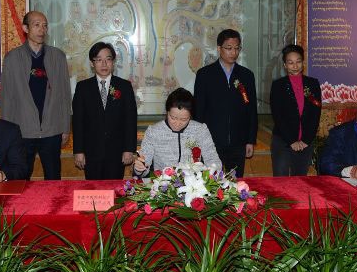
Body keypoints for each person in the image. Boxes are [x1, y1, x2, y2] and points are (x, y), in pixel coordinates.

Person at [0, 11, 71, 180]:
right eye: (37, 25)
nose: (42, 29)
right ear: (26, 28)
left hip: (52, 129)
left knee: (53, 178)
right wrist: (8, 133)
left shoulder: (58, 56)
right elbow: (7, 99)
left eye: (45, 26)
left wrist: (65, 127)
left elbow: (65, 95)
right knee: (20, 178)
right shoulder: (12, 58)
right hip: (23, 130)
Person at [194, 29, 258, 177]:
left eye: (237, 48)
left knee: (235, 183)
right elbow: (199, 110)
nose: (233, 53)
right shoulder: (205, 74)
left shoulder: (246, 75)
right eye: (229, 48)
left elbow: (251, 110)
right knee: (210, 181)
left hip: (238, 141)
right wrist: (198, 141)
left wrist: (250, 140)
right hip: (211, 141)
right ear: (219, 48)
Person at [72, 42, 137, 179]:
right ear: (92, 63)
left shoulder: (124, 86)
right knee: (93, 189)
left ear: (113, 62)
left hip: (117, 152)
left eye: (108, 59)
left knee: (114, 189)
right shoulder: (83, 88)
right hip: (91, 152)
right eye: (99, 60)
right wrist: (78, 151)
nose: (104, 64)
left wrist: (129, 149)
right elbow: (78, 122)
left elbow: (130, 120)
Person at [134, 88, 221, 176]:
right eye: (173, 118)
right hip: (163, 182)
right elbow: (144, 165)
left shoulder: (200, 130)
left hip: (194, 181)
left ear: (191, 116)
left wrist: (211, 171)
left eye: (184, 119)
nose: (177, 123)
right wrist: (140, 168)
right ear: (167, 112)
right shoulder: (153, 131)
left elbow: (213, 160)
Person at [269, 44, 322, 176]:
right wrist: (291, 141)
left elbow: (316, 114)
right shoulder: (278, 85)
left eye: (298, 61)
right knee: (281, 180)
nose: (295, 65)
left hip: (305, 142)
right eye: (290, 62)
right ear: (285, 65)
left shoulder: (313, 84)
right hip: (283, 140)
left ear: (303, 62)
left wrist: (306, 140)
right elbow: (278, 116)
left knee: (300, 179)